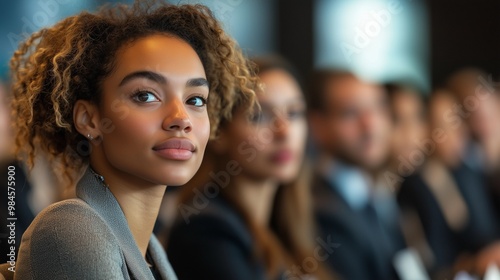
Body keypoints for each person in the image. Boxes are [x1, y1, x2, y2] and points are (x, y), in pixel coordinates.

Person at [9, 1, 258, 279]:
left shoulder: (152, 251)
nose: (181, 118)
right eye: (145, 95)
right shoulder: (72, 227)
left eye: (195, 99)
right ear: (89, 119)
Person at [166, 56, 334, 280]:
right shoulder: (207, 231)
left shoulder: (286, 224)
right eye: (259, 116)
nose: (284, 132)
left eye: (294, 113)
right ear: (219, 133)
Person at [307, 70, 407, 280]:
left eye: (378, 108)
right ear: (318, 126)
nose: (370, 125)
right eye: (350, 113)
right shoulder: (320, 209)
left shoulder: (375, 191)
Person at [398, 89, 500, 278]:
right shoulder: (417, 185)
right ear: (427, 130)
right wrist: (475, 263)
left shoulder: (468, 171)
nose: (457, 132)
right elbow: (432, 262)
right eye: (444, 125)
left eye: (458, 121)